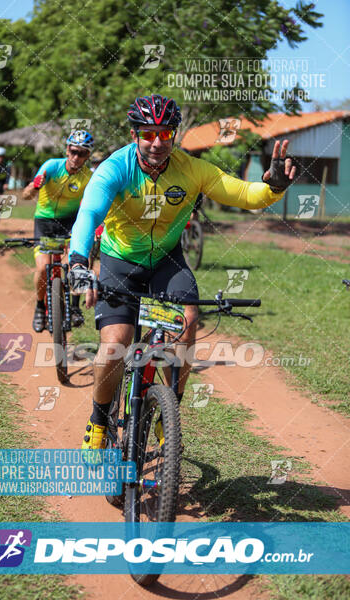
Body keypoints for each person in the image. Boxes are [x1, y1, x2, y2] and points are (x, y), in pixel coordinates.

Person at [68, 94, 296, 449]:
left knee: (188, 325)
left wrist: (274, 187)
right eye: (148, 134)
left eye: (165, 134)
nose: (157, 143)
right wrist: (79, 262)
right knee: (114, 344)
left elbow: (244, 194)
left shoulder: (191, 169)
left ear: (174, 135)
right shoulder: (115, 169)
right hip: (119, 262)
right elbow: (89, 215)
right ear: (135, 135)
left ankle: (168, 410)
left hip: (166, 262)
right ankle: (98, 419)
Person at [23, 130, 94, 332]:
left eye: (82, 153)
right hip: (44, 222)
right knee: (42, 268)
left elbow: (94, 205)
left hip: (70, 223)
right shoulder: (51, 166)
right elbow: (26, 195)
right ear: (67, 150)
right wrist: (35, 187)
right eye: (73, 151)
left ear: (88, 156)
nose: (76, 157)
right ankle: (39, 306)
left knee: (77, 262)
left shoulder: (88, 177)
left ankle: (74, 306)